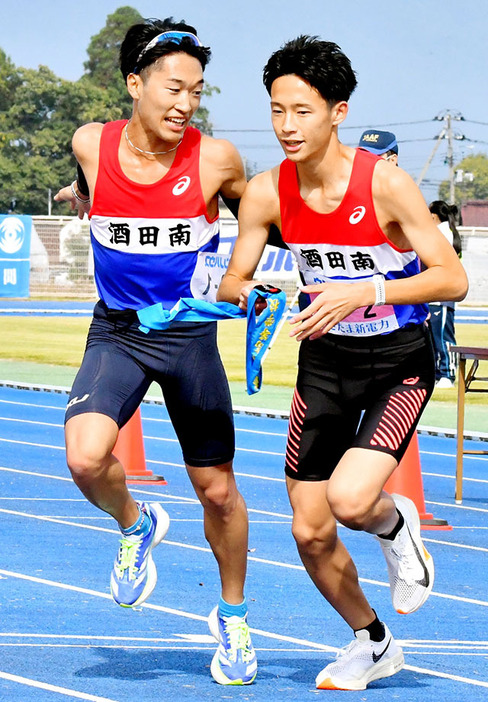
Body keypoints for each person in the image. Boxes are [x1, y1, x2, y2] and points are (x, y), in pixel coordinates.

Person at [217, 35, 468, 691]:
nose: (286, 126)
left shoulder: (386, 186)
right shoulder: (268, 193)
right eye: (276, 110)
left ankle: (395, 523)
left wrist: (369, 290)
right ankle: (373, 641)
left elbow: (452, 277)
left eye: (302, 110)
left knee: (352, 500)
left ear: (338, 111)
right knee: (309, 529)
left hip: (397, 360)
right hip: (324, 360)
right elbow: (232, 281)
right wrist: (260, 293)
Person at [54, 17, 257, 686]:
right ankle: (136, 526)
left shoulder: (216, 159)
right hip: (117, 332)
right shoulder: (90, 143)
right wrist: (80, 197)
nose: (184, 104)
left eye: (196, 91)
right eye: (173, 87)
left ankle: (232, 620)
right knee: (86, 459)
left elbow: (261, 221)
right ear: (134, 84)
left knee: (217, 491)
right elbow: (94, 190)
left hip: (189, 339)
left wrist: (248, 282)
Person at [427, 200, 463, 388]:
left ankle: (447, 373)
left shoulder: (443, 234)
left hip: (441, 296)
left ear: (434, 215)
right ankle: (438, 371)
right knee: (433, 336)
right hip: (434, 295)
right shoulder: (443, 232)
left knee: (442, 336)